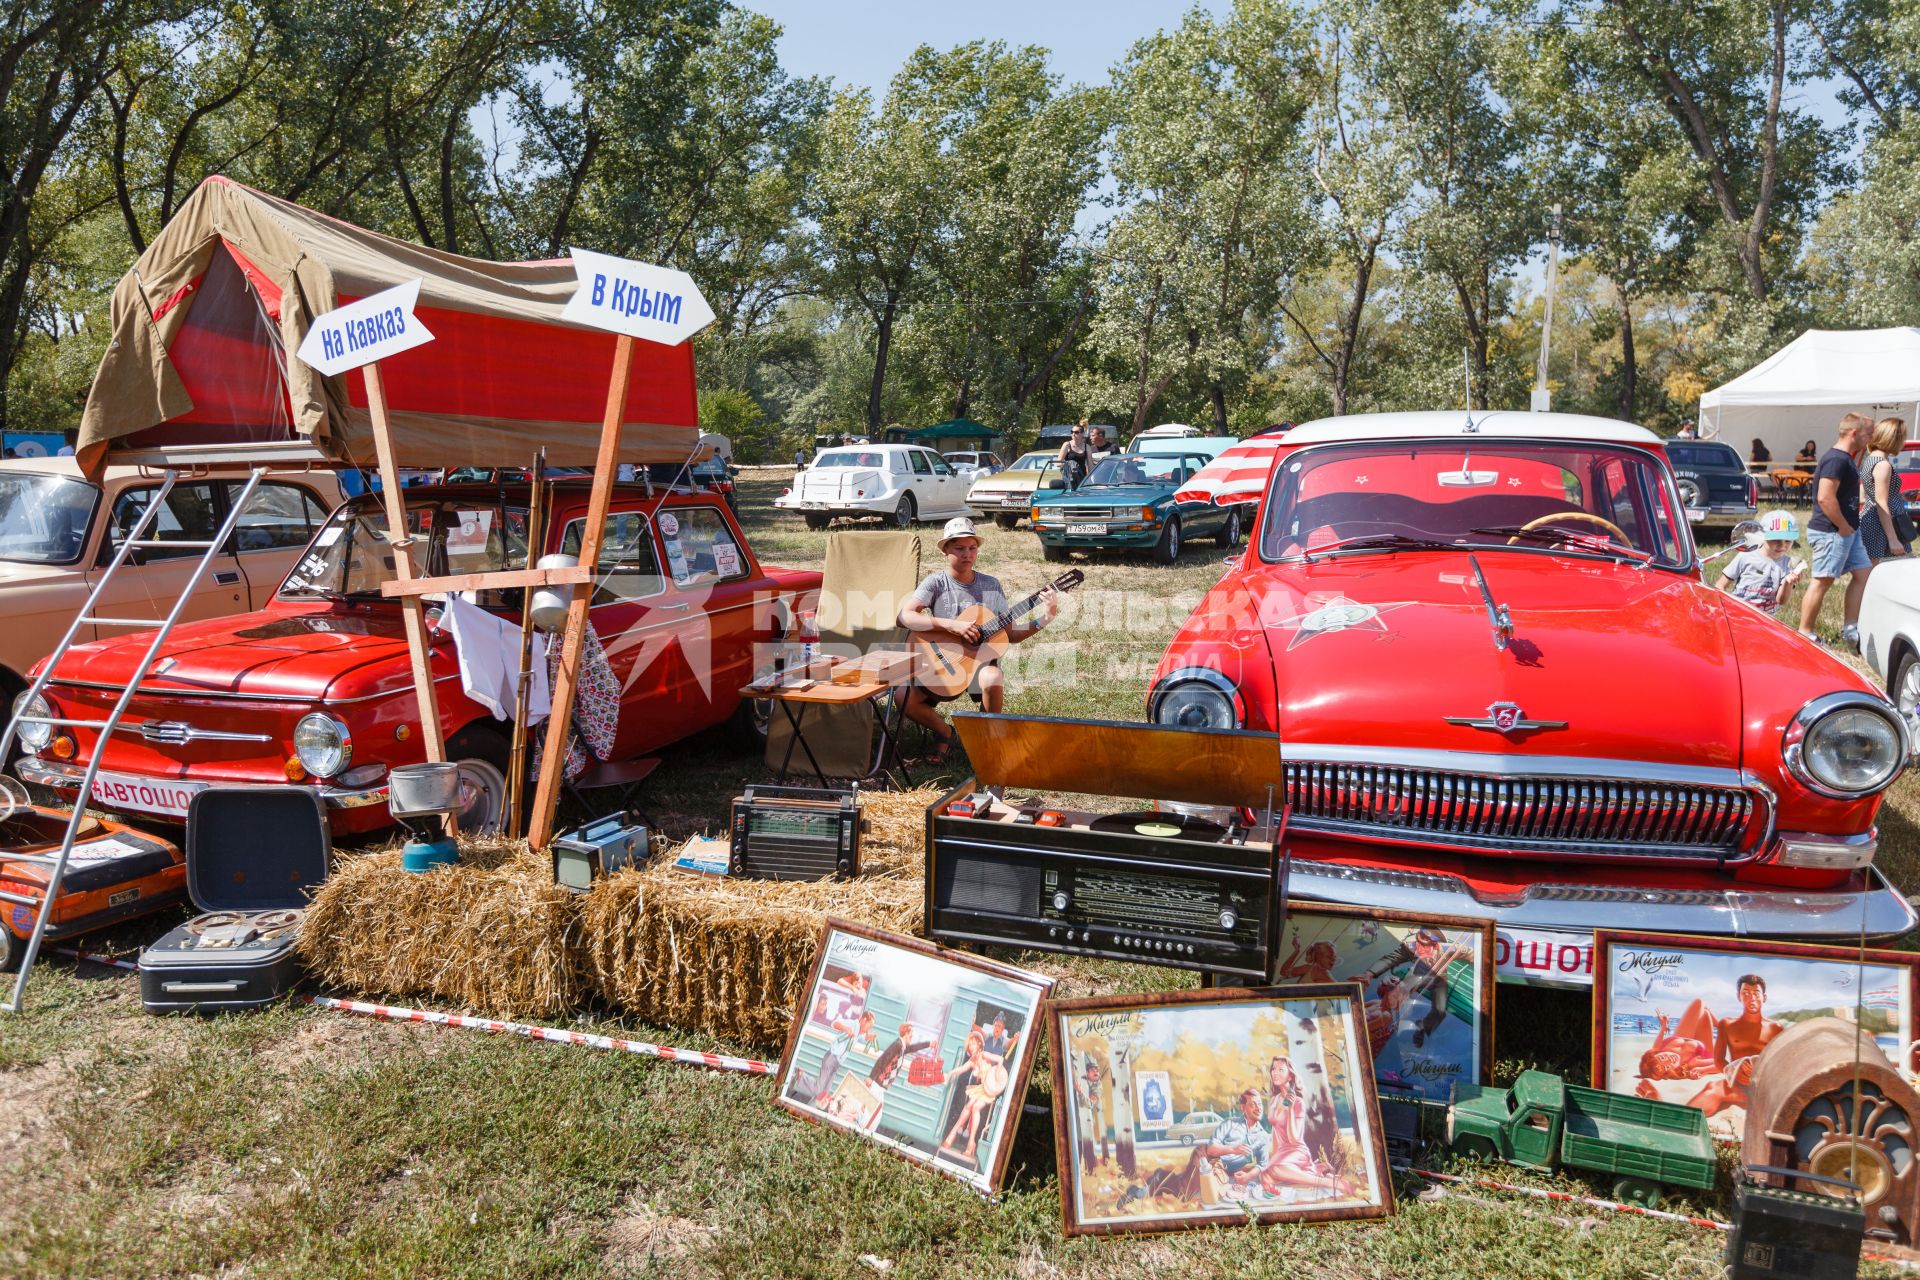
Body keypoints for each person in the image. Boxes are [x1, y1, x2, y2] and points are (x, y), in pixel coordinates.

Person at [898, 516, 1060, 763]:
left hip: (977, 664)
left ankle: (987, 741)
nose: (967, 554)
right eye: (959, 548)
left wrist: (1045, 618)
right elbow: (904, 617)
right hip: (941, 663)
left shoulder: (990, 585)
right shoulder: (936, 583)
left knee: (993, 676)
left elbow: (1010, 635)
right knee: (902, 697)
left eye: (972, 548)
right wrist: (951, 625)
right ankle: (945, 733)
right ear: (945, 550)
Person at [1799, 413, 1877, 648]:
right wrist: (1843, 526)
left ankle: (1850, 628)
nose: (1871, 437)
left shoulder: (1846, 458)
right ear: (1855, 433)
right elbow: (1825, 497)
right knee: (1823, 581)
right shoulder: (1837, 460)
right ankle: (1805, 632)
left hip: (1847, 531)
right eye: (1869, 433)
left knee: (1863, 574)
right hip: (1832, 531)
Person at [1258, 1056, 1360, 1199]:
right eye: (1273, 1069)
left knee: (1275, 1170)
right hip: (1282, 1152)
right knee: (1265, 1177)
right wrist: (1275, 1157)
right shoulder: (1274, 1100)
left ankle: (1332, 1183)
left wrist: (1290, 1109)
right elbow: (1275, 1131)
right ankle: (1314, 1170)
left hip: (1296, 1150)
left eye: (1281, 1069)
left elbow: (1294, 1138)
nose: (1275, 1073)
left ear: (1290, 1076)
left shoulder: (1298, 1102)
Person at [1146, 1089, 1271, 1204]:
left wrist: (1248, 1176)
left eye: (1260, 1104)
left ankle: (1162, 1175)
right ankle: (1155, 1182)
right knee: (1185, 1193)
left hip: (1222, 1169)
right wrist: (1233, 1149)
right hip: (1205, 1155)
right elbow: (1211, 1148)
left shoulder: (1263, 1137)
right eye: (1253, 1104)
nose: (1258, 1108)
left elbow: (1262, 1164)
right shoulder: (1230, 1123)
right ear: (1243, 1108)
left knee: (1200, 1188)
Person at [1684, 974, 1783, 1118]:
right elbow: (1718, 1059)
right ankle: (1679, 1118)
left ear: (1764, 998)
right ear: (1739, 996)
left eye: (1756, 993)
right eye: (1746, 993)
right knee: (1712, 1088)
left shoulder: (1776, 1029)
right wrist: (1734, 1072)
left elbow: (1781, 1063)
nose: (1752, 998)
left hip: (1763, 1090)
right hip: (1736, 1086)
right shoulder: (1727, 1025)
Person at [1356, 926, 1454, 1049]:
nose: (1421, 945)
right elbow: (1391, 958)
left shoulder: (1445, 949)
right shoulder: (1411, 947)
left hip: (1438, 981)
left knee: (1440, 1011)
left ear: (1433, 942)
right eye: (1421, 937)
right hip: (1417, 976)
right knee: (1405, 985)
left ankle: (1422, 1028)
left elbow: (1469, 953)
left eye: (1426, 940)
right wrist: (1370, 973)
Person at [1717, 509, 1806, 615]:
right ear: (1761, 536)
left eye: (1787, 541)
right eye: (1776, 539)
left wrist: (1788, 583)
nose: (1782, 545)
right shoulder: (1746, 556)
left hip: (1765, 621)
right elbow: (1720, 585)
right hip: (1738, 614)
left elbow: (1781, 601)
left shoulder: (1788, 564)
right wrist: (1722, 608)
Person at [790, 1009, 875, 1107]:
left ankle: (810, 1111)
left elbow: (863, 1037)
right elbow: (835, 1023)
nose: (868, 1029)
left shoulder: (858, 1032)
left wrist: (869, 1037)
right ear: (864, 1020)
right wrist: (846, 1029)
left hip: (837, 1063)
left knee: (824, 1094)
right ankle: (801, 1077)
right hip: (832, 1057)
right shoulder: (852, 1024)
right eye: (869, 1026)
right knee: (818, 1090)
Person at [1860, 416, 1911, 563]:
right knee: (1876, 574)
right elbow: (1881, 502)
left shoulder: (1871, 459)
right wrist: (1893, 539)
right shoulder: (1883, 464)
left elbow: (1871, 494)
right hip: (1882, 526)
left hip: (1877, 522)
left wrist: (1901, 496)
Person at [1057, 420, 1093, 489]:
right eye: (1072, 432)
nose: (1073, 434)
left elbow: (1090, 465)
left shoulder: (1087, 447)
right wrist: (1071, 464)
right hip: (1069, 479)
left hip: (1082, 479)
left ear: (1082, 434)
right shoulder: (1067, 445)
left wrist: (1090, 479)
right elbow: (1058, 463)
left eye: (1076, 432)